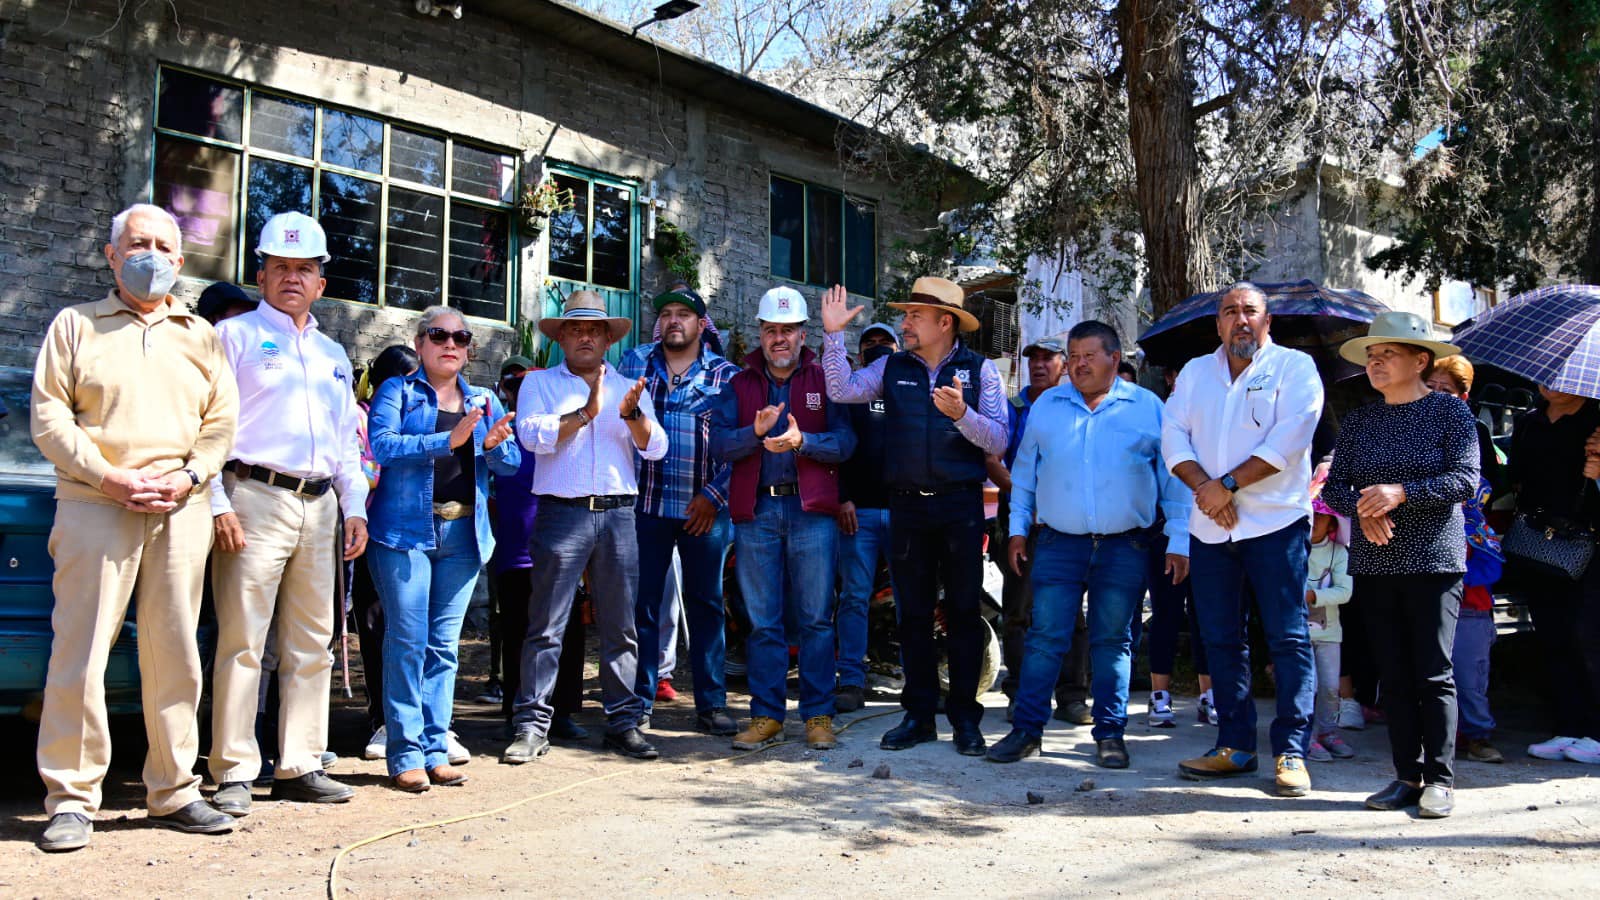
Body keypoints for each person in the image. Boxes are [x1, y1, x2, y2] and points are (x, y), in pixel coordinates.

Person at [30, 204, 240, 851]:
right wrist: (108, 477)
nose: (149, 255)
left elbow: (221, 422)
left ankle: (174, 788)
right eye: (137, 244)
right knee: (80, 653)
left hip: (180, 511)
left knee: (175, 653)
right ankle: (71, 797)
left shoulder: (199, 336)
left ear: (180, 262)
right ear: (112, 254)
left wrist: (190, 476)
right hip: (97, 506)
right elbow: (50, 419)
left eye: (162, 246)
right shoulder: (76, 327)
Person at [208, 212, 370, 814]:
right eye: (281, 268)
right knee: (243, 639)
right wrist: (217, 500)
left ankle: (300, 761)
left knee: (313, 643)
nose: (292, 278)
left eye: (304, 269)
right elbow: (210, 429)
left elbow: (345, 443)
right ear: (261, 274)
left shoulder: (333, 354)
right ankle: (233, 769)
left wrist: (354, 507)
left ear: (322, 281)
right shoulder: (236, 337)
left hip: (320, 504)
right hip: (253, 497)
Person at [987, 320, 1189, 768]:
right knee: (1045, 637)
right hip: (1058, 543)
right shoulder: (1047, 407)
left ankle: (1111, 734)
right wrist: (1018, 529)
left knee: (1113, 642)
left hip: (1126, 546)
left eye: (1088, 356)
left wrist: (1178, 539)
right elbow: (1024, 475)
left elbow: (1174, 481)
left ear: (1114, 360)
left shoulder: (1148, 408)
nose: (1078, 365)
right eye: (1073, 357)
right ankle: (1027, 731)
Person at [821, 277, 1009, 756]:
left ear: (944, 322)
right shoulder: (891, 366)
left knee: (964, 614)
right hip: (905, 505)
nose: (904, 324)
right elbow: (842, 390)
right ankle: (919, 716)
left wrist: (963, 414)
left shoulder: (980, 370)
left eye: (914, 316)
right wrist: (832, 335)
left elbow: (999, 440)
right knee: (915, 616)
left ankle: (966, 719)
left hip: (960, 506)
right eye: (905, 316)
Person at [1162, 282, 1323, 797]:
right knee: (1220, 637)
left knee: (1287, 636)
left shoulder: (1294, 369)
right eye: (1229, 312)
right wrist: (1205, 491)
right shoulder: (1193, 373)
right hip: (1212, 527)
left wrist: (1225, 484)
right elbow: (1173, 436)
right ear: (1218, 324)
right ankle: (1234, 746)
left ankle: (1292, 752)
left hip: (1275, 524)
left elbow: (1292, 437)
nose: (1240, 320)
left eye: (1250, 311)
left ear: (1267, 321)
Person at [1323, 312, 1479, 816]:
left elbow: (1463, 481)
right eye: (1371, 356)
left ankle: (1441, 779)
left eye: (1387, 354)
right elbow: (1334, 487)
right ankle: (1405, 776)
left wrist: (1399, 494)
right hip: (1374, 559)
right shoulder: (1362, 420)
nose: (1376, 363)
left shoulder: (1449, 414)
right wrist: (1364, 510)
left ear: (1420, 360)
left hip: (1433, 558)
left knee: (1432, 671)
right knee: (1392, 670)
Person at [503, 290, 667, 764]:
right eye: (575, 328)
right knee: (547, 624)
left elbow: (655, 448)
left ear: (607, 338)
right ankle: (532, 725)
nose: (585, 336)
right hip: (562, 513)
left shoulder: (629, 386)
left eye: (594, 329)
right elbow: (532, 437)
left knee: (621, 625)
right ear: (562, 338)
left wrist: (632, 415)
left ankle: (623, 722)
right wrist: (585, 414)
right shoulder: (539, 384)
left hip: (618, 514)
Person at [365, 307, 520, 791]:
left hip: (463, 538)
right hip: (404, 534)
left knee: (443, 648)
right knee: (407, 643)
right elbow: (382, 446)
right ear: (420, 343)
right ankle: (404, 752)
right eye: (439, 335)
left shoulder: (484, 398)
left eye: (460, 337)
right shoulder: (398, 391)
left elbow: (510, 464)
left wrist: (493, 446)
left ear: (469, 347)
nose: (450, 343)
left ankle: (436, 748)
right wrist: (446, 440)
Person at [711, 287, 856, 751]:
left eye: (787, 330)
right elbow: (717, 445)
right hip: (757, 512)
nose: (779, 339)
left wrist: (803, 444)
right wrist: (753, 433)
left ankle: (818, 716)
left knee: (816, 618)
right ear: (760, 332)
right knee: (763, 621)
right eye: (771, 330)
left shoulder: (824, 379)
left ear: (801, 334)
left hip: (810, 511)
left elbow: (847, 443)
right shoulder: (738, 383)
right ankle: (767, 716)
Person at [620, 287, 741, 736]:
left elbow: (741, 445)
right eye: (667, 313)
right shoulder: (633, 364)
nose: (674, 321)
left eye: (684, 314)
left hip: (704, 511)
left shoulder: (727, 376)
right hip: (645, 507)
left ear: (700, 324)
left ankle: (711, 704)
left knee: (706, 604)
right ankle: (641, 701)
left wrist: (714, 495)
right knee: (644, 606)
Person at [989, 334, 1091, 726]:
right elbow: (992, 458)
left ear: (1063, 365)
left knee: (1071, 611)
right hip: (1021, 520)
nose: (1039, 365)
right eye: (1033, 359)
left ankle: (1072, 696)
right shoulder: (1013, 408)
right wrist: (1028, 496)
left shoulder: (1075, 404)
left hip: (1068, 521)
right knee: (1019, 610)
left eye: (1048, 359)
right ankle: (1020, 691)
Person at [488, 357, 589, 742]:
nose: (519, 395)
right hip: (514, 552)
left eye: (527, 387)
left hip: (564, 547)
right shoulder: (502, 433)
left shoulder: (556, 429)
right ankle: (516, 710)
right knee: (519, 632)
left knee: (567, 633)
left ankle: (562, 711)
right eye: (513, 387)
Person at [1507, 383, 1600, 766]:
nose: (1551, 384)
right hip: (1539, 540)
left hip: (1589, 540)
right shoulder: (1530, 421)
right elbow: (1515, 476)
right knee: (1552, 634)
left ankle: (1596, 731)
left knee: (1588, 636)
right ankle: (1567, 725)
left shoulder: (1596, 419)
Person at [353, 344, 420, 761]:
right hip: (369, 539)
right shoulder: (359, 418)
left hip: (413, 538)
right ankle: (382, 720)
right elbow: (360, 469)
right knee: (377, 631)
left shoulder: (420, 417)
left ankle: (425, 723)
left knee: (416, 634)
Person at [1148, 366, 1216, 728]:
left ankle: (1209, 695)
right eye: (1176, 375)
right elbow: (1168, 487)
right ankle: (1160, 696)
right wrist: (1177, 539)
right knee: (1166, 615)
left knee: (1208, 617)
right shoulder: (1166, 419)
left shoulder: (1220, 416)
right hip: (1168, 533)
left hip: (1214, 530)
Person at [835, 322, 898, 712]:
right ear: (859, 355)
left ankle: (919, 683)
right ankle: (852, 681)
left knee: (913, 600)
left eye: (884, 343)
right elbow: (839, 448)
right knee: (854, 599)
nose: (876, 349)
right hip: (858, 514)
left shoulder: (911, 389)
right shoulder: (849, 393)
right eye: (869, 344)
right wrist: (843, 499)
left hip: (905, 513)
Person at [1303, 498, 1355, 762]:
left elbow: (1345, 591)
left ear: (1333, 521)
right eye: (1311, 514)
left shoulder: (1339, 552)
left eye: (1321, 516)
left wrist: (1313, 596)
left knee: (1330, 687)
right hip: (1299, 634)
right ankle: (1305, 737)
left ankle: (1327, 733)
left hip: (1330, 634)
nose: (1314, 520)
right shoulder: (1294, 548)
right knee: (1307, 687)